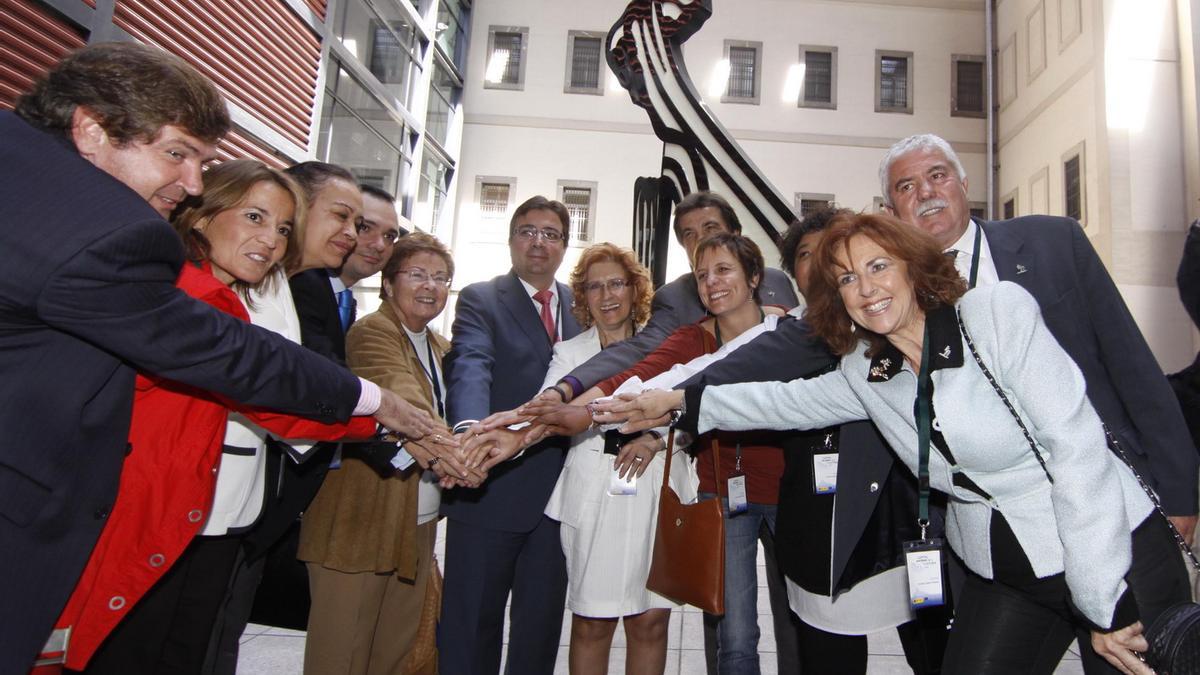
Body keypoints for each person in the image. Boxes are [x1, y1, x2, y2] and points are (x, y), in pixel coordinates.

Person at [603, 212, 1192, 675]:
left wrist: (1102, 604)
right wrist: (682, 403)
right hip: (1009, 573)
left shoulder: (995, 315)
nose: (866, 288)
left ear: (913, 266)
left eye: (879, 266)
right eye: (847, 279)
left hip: (1110, 554)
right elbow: (786, 403)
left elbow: (1079, 453)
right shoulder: (869, 369)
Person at [0, 42, 431, 673]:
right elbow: (231, 358)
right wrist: (380, 403)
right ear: (91, 129)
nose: (193, 183)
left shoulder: (27, 175)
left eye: (202, 162)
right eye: (177, 153)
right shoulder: (110, 234)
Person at [49, 159, 380, 674]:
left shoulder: (250, 289)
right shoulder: (183, 293)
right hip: (149, 515)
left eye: (282, 228)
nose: (271, 239)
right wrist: (384, 415)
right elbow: (274, 390)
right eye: (254, 218)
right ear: (201, 217)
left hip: (216, 518)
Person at [877, 134, 1198, 542]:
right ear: (890, 211)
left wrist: (1178, 493)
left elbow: (1132, 366)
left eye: (938, 175)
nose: (926, 191)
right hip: (995, 525)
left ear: (963, 185)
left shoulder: (1055, 243)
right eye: (907, 187)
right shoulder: (888, 297)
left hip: (1109, 490)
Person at [299, 233, 464, 675]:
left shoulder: (439, 346)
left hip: (417, 523)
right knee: (343, 654)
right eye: (417, 274)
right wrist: (457, 459)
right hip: (360, 523)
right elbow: (403, 397)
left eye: (441, 277)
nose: (431, 286)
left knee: (398, 653)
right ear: (389, 284)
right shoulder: (372, 333)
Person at [440, 196, 582, 674]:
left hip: (560, 498)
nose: (538, 241)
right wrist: (469, 434)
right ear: (511, 240)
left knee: (539, 633)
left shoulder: (582, 306)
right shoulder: (483, 298)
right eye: (527, 230)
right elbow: (471, 365)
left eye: (551, 233)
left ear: (565, 245)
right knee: (470, 627)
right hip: (490, 486)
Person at [540, 244, 680, 674]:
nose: (607, 295)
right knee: (592, 623)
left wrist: (656, 435)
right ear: (582, 297)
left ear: (635, 288)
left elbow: (695, 407)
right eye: (594, 286)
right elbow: (552, 414)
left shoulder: (668, 343)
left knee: (651, 622)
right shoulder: (569, 354)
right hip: (596, 495)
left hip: (657, 489)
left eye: (616, 283)